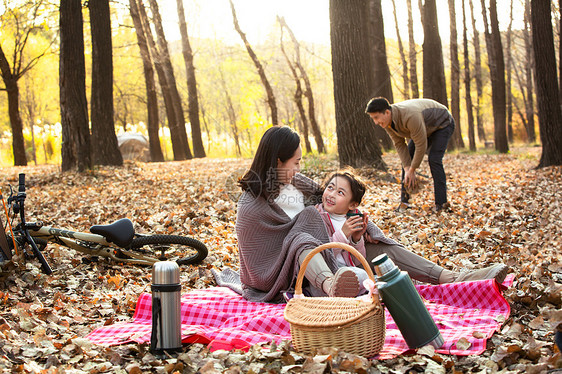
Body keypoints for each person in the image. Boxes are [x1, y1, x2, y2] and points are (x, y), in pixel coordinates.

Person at [232, 125, 508, 303]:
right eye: (296, 161)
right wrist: (315, 230)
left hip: (334, 250)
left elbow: (331, 202)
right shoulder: (252, 205)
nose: (299, 167)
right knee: (304, 231)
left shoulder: (296, 182)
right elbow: (257, 269)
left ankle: (451, 278)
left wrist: (352, 227)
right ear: (278, 161)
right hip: (295, 271)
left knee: (375, 242)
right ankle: (332, 286)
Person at [365, 97, 455, 212]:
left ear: (387, 112)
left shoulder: (410, 115)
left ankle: (441, 204)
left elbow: (421, 144)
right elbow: (399, 144)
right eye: (373, 119)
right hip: (423, 128)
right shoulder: (387, 123)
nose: (376, 122)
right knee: (406, 161)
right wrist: (408, 168)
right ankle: (405, 202)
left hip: (443, 124)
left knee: (434, 159)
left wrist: (413, 169)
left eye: (376, 118)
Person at [315, 168, 394, 294]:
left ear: (352, 205)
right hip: (326, 275)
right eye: (330, 188)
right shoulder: (316, 215)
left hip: (349, 271)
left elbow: (357, 260)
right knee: (362, 277)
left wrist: (356, 239)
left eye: (340, 193)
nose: (331, 195)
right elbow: (321, 255)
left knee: (375, 279)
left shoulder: (350, 220)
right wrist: (343, 234)